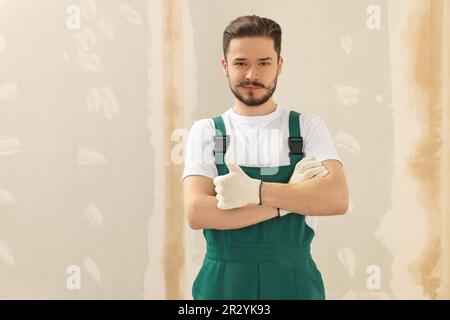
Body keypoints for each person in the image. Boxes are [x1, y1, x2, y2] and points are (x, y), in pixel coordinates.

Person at [182, 15, 349, 300]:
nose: (251, 75)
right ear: (225, 66)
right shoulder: (207, 132)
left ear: (279, 65)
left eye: (263, 63)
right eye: (240, 63)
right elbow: (197, 212)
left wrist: (255, 192)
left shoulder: (307, 128)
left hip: (294, 282)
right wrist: (287, 202)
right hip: (222, 285)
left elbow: (337, 198)